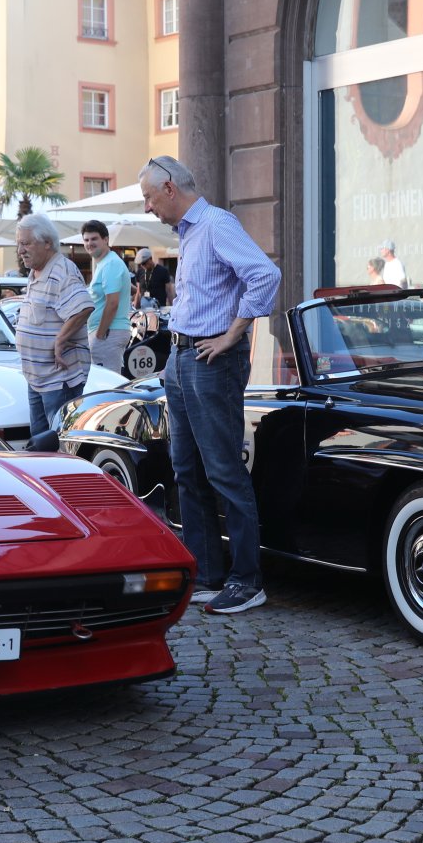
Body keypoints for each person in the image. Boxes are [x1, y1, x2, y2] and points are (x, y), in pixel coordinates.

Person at [140, 154, 280, 616]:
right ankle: (208, 575)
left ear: (169, 189)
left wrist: (233, 334)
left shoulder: (216, 224)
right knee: (185, 468)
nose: (147, 208)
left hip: (210, 359)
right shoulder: (190, 232)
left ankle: (247, 580)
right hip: (183, 358)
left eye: (148, 198)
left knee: (222, 470)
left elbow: (265, 275)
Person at [13, 213, 93, 445]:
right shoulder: (37, 270)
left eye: (26, 243)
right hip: (38, 377)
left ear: (47, 242)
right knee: (40, 444)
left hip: (59, 379)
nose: (20, 250)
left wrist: (60, 341)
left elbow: (83, 307)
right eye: (19, 244)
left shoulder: (61, 270)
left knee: (58, 443)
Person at [82, 220, 133, 371]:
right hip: (107, 333)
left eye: (94, 239)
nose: (89, 243)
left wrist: (99, 335)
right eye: (86, 240)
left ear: (106, 239)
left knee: (107, 383)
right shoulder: (106, 263)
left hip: (108, 333)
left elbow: (112, 303)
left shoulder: (111, 263)